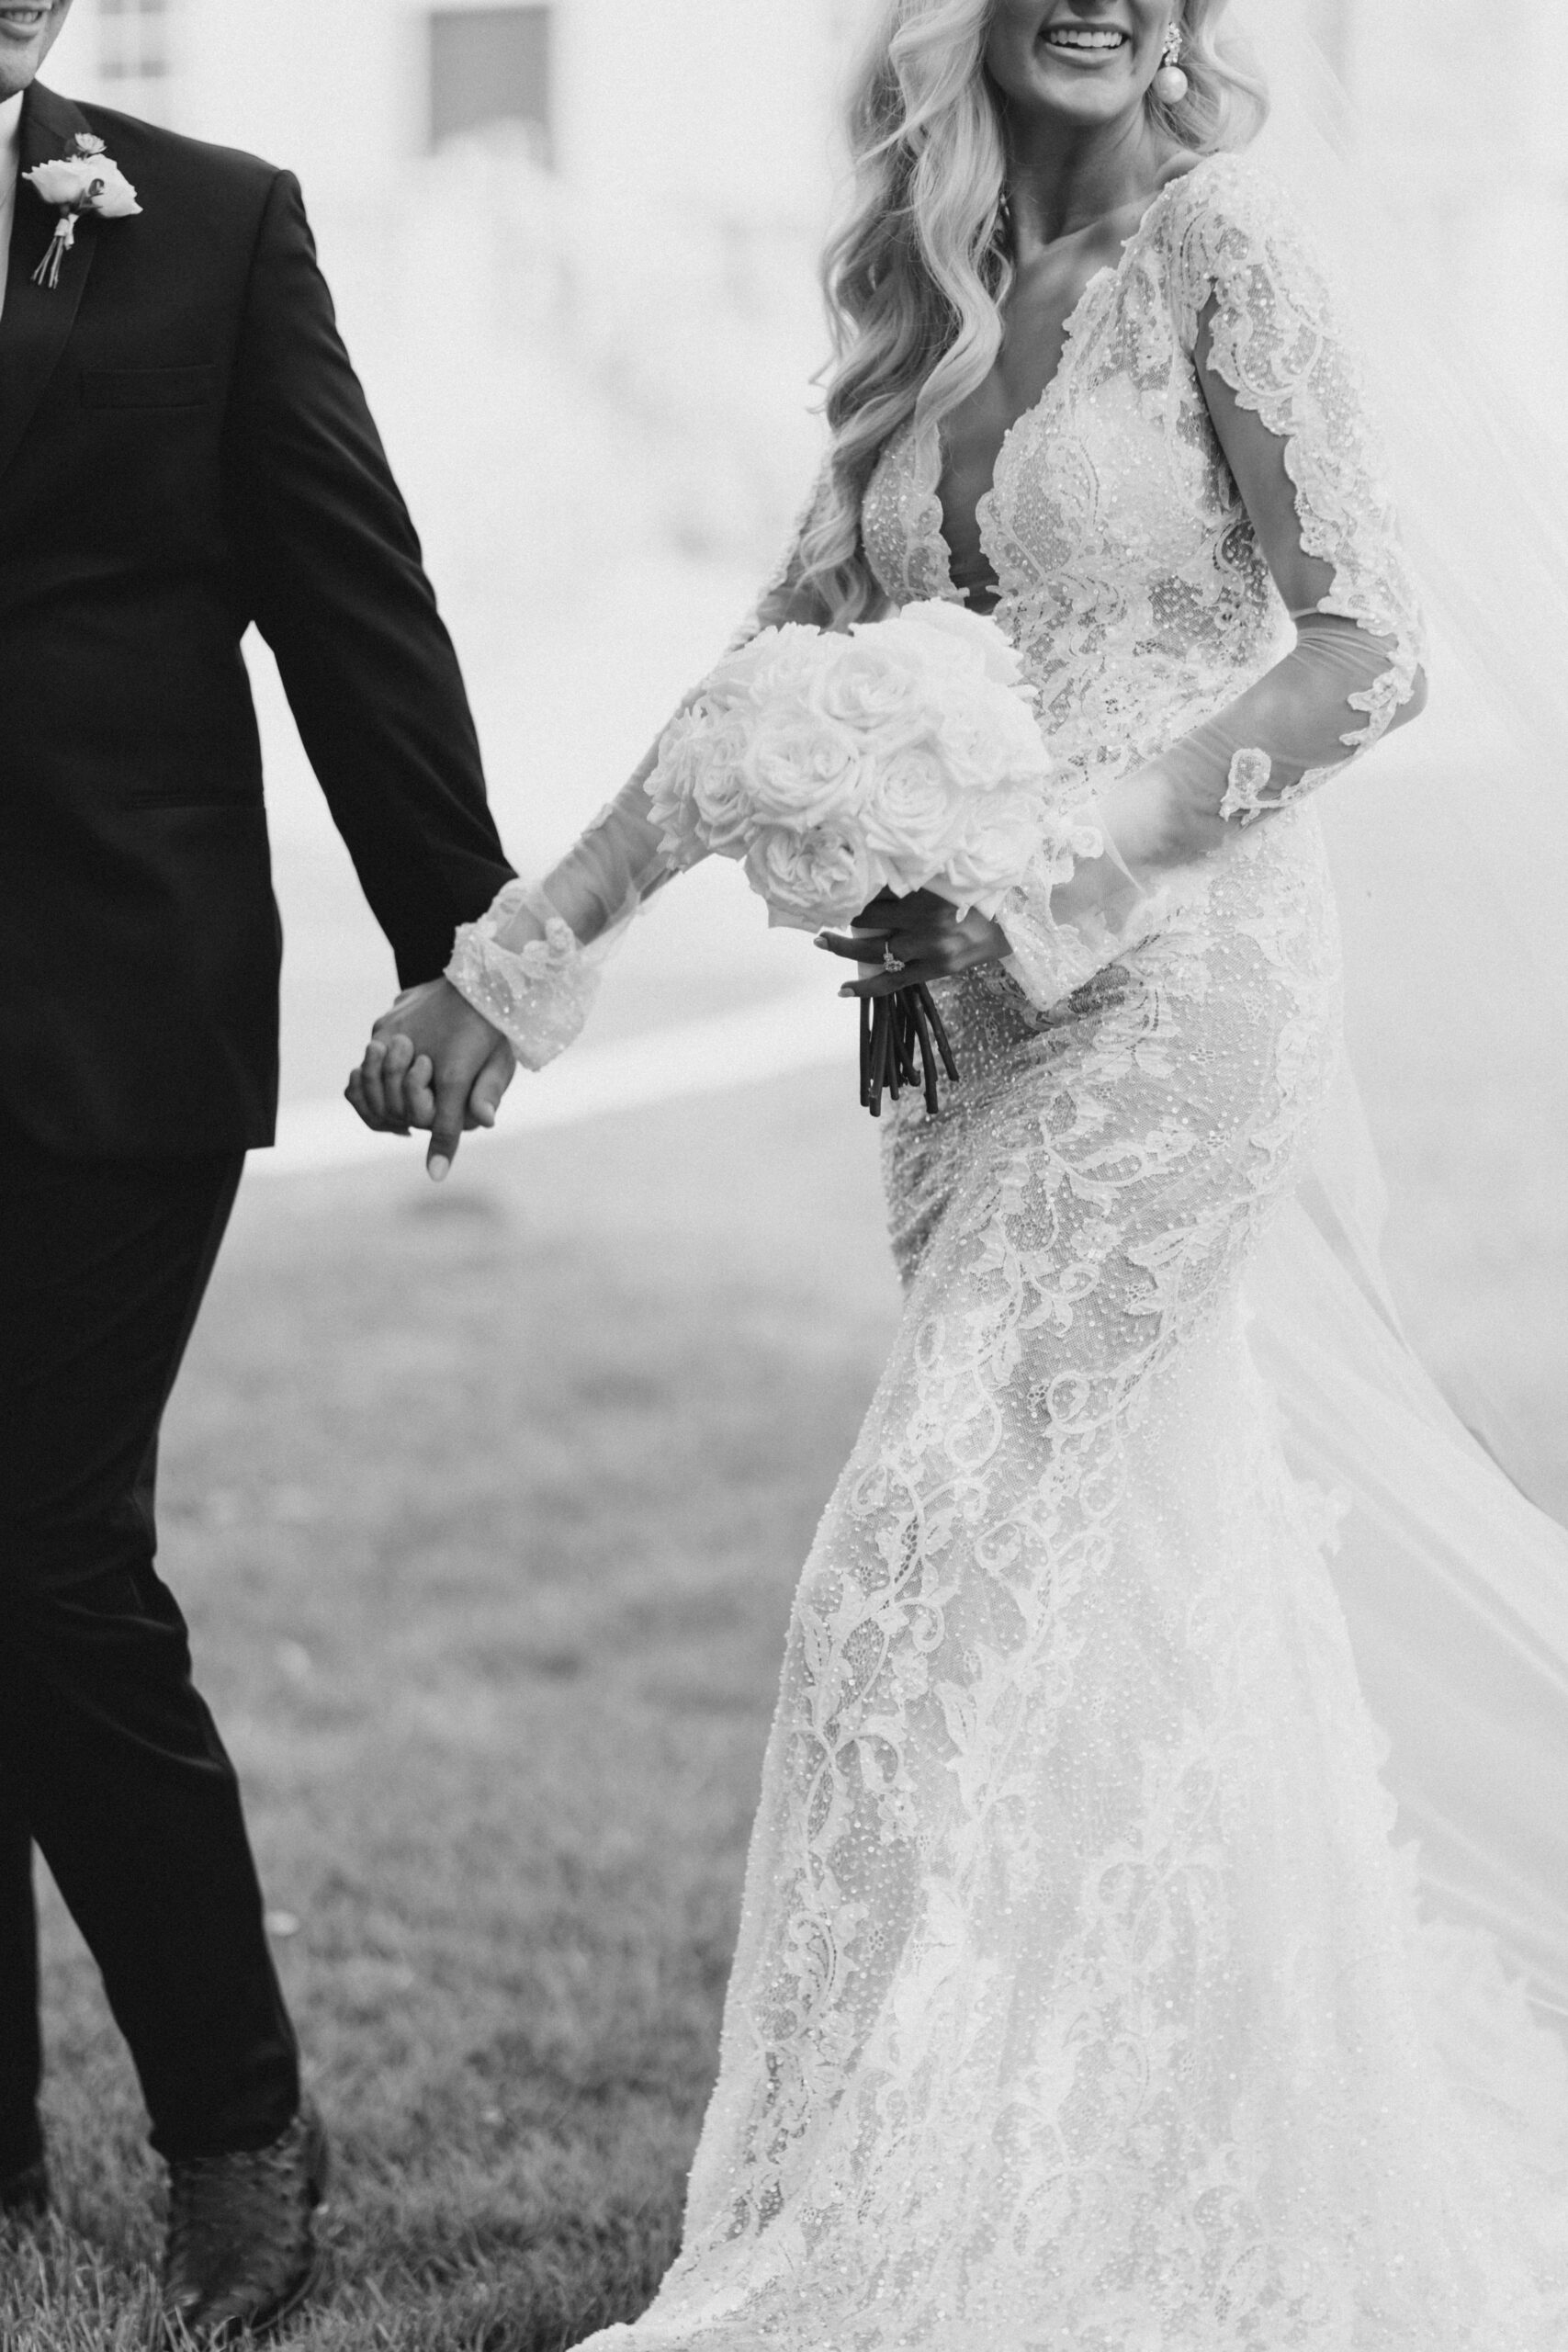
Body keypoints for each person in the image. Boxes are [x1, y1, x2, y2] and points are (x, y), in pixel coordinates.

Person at [355, 0, 1568, 2339]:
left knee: (912, 1556)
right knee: (1120, 1569)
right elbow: (766, 674)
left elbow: (1362, 655)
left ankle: (860, 2208)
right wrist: (508, 967)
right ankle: (1164, 2133)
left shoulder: (1225, 257)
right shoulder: (925, 305)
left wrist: (1075, 849)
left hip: (1183, 981)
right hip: (957, 1036)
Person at [0, 1, 517, 2336]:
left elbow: (348, 590)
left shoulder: (201, 221)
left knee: (44, 1549)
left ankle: (236, 2121)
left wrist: (462, 948)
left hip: (110, 1000)